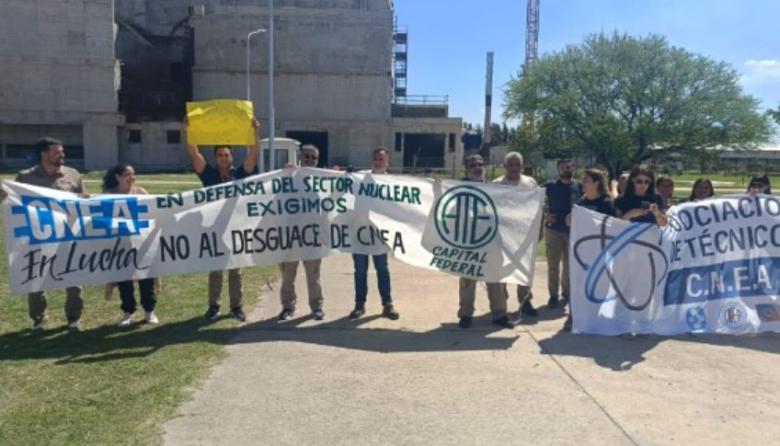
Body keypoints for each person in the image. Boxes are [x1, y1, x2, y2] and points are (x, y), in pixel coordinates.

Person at [185, 119, 260, 322]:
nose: (223, 158)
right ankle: (214, 306)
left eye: (226, 155)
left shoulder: (240, 174)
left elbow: (253, 156)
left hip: (236, 228)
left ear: (232, 157)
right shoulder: (209, 174)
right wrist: (189, 129)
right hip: (214, 228)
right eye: (220, 155)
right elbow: (194, 153)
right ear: (215, 158)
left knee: (236, 270)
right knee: (216, 270)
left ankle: (236, 306)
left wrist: (255, 133)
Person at [14, 137, 87, 331]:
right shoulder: (25, 177)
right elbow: (14, 203)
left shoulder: (73, 175)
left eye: (62, 152)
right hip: (38, 237)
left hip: (68, 235)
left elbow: (82, 202)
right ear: (43, 154)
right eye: (57, 152)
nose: (62, 155)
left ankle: (73, 318)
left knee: (73, 278)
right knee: (36, 277)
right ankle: (39, 318)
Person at [457, 154, 515, 329]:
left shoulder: (493, 187)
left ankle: (499, 314)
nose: (477, 167)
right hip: (468, 241)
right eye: (473, 164)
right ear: (467, 168)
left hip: (491, 241)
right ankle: (465, 314)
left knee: (496, 278)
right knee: (467, 280)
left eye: (480, 164)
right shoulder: (457, 188)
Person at [102, 164, 160, 326]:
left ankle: (149, 311)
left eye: (133, 174)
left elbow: (153, 214)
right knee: (123, 279)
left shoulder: (141, 193)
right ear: (118, 177)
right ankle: (128, 311)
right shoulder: (109, 196)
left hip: (142, 243)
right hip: (120, 244)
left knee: (146, 279)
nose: (132, 177)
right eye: (127, 174)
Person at [348, 148, 400, 320]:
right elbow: (339, 188)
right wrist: (341, 176)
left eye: (382, 159)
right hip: (360, 233)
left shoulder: (392, 182)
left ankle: (387, 304)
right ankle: (359, 305)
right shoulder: (360, 177)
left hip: (380, 235)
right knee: (360, 271)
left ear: (388, 163)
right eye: (376, 159)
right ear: (372, 161)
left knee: (382, 270)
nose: (378, 162)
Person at [278, 144, 327, 321]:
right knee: (287, 276)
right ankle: (287, 307)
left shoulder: (322, 180)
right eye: (306, 156)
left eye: (313, 157)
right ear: (300, 157)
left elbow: (331, 204)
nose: (309, 160)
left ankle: (317, 307)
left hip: (312, 236)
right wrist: (284, 173)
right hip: (290, 235)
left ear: (317, 160)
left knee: (313, 276)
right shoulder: (289, 176)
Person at [565, 168, 615, 331]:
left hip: (599, 253)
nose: (583, 183)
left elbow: (611, 226)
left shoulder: (606, 203)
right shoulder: (581, 203)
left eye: (586, 180)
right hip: (581, 254)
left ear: (596, 183)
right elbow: (568, 222)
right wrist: (574, 212)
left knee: (598, 286)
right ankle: (574, 317)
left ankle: (594, 317)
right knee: (577, 285)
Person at [491, 152, 540, 317]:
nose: (514, 168)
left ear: (522, 166)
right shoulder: (496, 185)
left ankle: (525, 301)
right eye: (510, 164)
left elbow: (538, 207)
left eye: (517, 164)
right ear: (504, 167)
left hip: (524, 234)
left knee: (524, 269)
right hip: (502, 235)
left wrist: (538, 230)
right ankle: (500, 302)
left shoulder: (531, 183)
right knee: (501, 268)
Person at [543, 159, 581, 309]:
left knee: (569, 265)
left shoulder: (579, 186)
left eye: (569, 167)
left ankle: (567, 293)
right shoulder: (550, 185)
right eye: (563, 167)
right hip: (553, 230)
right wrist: (545, 213)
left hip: (573, 230)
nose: (566, 169)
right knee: (553, 265)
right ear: (558, 170)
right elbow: (535, 198)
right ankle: (553, 295)